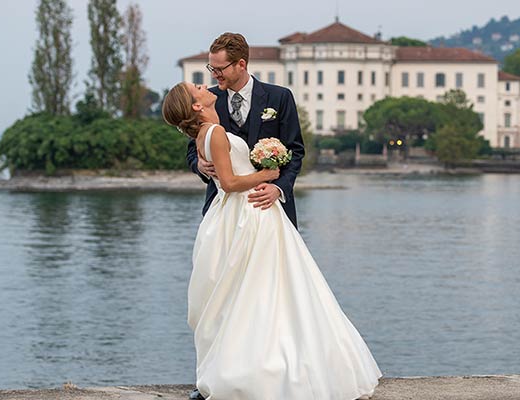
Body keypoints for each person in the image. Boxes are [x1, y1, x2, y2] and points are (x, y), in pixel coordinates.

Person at [163, 81, 380, 400]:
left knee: (250, 293)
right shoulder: (215, 131)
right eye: (196, 86)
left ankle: (255, 366)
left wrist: (273, 176)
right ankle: (271, 367)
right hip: (250, 212)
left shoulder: (209, 130)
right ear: (196, 105)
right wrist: (268, 174)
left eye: (214, 71)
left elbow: (285, 151)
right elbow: (230, 181)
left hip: (238, 213)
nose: (205, 83)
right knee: (266, 290)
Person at [187, 32, 304, 228]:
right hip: (223, 209)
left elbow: (295, 150)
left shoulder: (280, 97)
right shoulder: (208, 100)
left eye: (219, 69)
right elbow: (192, 148)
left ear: (241, 65)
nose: (214, 75)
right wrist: (198, 165)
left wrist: (278, 188)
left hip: (271, 206)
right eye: (211, 68)